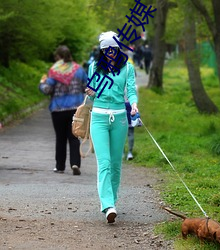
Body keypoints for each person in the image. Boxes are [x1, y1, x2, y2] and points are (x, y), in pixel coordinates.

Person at [85, 31, 138, 223]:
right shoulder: (94, 67)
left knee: (116, 164)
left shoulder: (127, 68)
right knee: (104, 163)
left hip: (120, 119)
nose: (110, 52)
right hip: (98, 118)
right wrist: (90, 92)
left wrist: (133, 104)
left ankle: (112, 201)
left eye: (113, 49)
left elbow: (131, 90)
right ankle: (107, 205)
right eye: (106, 49)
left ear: (118, 49)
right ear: (101, 50)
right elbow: (91, 96)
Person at [39, 45, 87, 175]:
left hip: (58, 109)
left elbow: (47, 90)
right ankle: (75, 163)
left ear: (58, 57)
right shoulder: (79, 70)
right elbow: (86, 87)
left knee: (60, 138)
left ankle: (60, 167)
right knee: (74, 136)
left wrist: (42, 83)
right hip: (75, 109)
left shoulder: (54, 71)